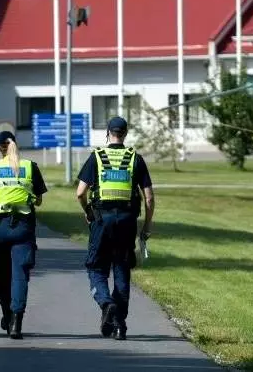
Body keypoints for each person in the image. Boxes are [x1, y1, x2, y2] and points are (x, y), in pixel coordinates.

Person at [76, 116, 155, 341]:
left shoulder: (97, 157)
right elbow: (148, 198)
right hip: (127, 222)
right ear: (125, 134)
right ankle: (119, 324)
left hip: (101, 221)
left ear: (108, 133)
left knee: (96, 268)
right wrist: (147, 226)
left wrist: (88, 212)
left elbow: (80, 192)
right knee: (121, 269)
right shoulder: (135, 158)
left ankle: (106, 303)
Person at [0, 131, 47, 340]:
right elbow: (38, 200)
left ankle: (7, 315)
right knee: (20, 275)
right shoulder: (30, 167)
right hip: (23, 226)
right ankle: (17, 321)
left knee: (3, 275)